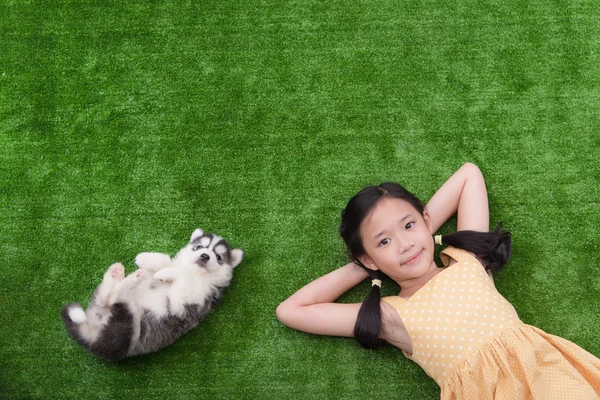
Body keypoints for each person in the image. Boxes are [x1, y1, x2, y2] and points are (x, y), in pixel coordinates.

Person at [276, 163, 600, 399]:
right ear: (369, 257)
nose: (404, 245)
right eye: (384, 242)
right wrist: (365, 267)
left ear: (426, 220)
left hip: (547, 376)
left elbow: (469, 175)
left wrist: (420, 228)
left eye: (408, 226)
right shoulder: (392, 316)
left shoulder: (466, 259)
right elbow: (292, 310)